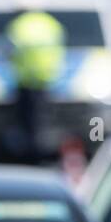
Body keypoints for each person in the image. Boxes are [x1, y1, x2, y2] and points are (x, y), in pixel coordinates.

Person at [6, 8, 66, 160]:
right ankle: (44, 152)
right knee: (44, 119)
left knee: (27, 122)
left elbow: (11, 51)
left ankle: (29, 153)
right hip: (49, 80)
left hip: (26, 80)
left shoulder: (19, 25)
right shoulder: (50, 23)